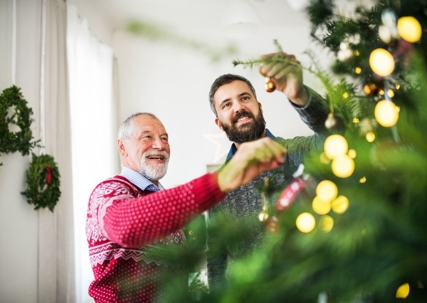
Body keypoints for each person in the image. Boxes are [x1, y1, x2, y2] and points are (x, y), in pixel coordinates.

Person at [86, 112, 289, 303]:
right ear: (122, 147)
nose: (160, 145)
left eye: (164, 138)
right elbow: (124, 226)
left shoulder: (166, 204)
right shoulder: (108, 191)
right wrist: (220, 181)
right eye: (147, 137)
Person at [206, 52, 329, 290]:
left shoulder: (299, 151)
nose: (239, 107)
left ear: (259, 106)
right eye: (227, 104)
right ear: (219, 123)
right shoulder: (216, 185)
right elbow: (217, 256)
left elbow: (335, 136)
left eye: (245, 98)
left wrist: (300, 95)